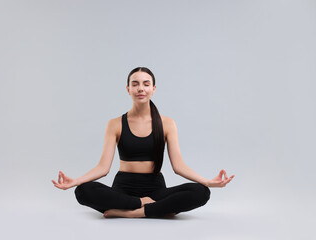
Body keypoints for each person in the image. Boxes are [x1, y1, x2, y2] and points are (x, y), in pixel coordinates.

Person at [52, 67, 235, 218]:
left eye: (146, 84)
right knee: (82, 191)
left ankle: (132, 213)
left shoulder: (167, 124)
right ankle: (150, 208)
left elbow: (178, 166)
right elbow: (103, 168)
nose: (141, 88)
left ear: (153, 89)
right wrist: (75, 181)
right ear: (128, 89)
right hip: (123, 189)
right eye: (135, 84)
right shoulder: (115, 124)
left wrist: (207, 182)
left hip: (155, 189)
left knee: (201, 192)